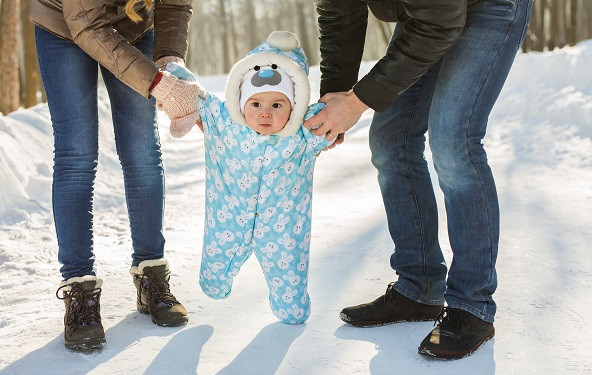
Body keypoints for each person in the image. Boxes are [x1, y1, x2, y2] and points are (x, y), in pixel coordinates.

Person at [306, 0, 532, 359]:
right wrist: (335, 96)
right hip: (428, 15)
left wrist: (356, 103)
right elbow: (339, 11)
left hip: (485, 7)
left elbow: (440, 23)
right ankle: (419, 287)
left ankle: (472, 306)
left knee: (453, 141)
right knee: (391, 137)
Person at [29, 0, 204, 350]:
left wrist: (170, 59)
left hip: (135, 24)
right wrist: (160, 85)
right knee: (76, 155)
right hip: (65, 25)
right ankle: (79, 290)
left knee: (142, 152)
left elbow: (175, 3)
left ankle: (151, 273)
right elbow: (88, 25)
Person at [167, 31, 334, 324]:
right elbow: (195, 93)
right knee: (212, 284)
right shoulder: (225, 124)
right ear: (241, 101)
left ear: (295, 105)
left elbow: (332, 117)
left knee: (294, 309)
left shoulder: (302, 134)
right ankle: (216, 283)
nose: (265, 113)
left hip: (284, 232)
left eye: (277, 105)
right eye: (255, 104)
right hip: (227, 221)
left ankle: (290, 308)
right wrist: (172, 72)